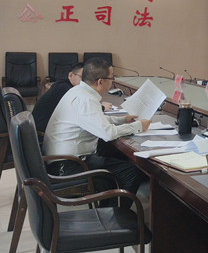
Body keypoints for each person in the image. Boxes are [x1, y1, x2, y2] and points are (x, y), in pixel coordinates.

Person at [43, 58, 152, 207]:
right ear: (100, 81)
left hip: (64, 160)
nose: (113, 81)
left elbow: (93, 120)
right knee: (130, 172)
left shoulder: (79, 91)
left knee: (119, 163)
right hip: (65, 166)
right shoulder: (86, 100)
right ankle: (114, 215)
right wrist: (138, 126)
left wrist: (123, 120)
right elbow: (108, 133)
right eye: (112, 77)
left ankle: (108, 210)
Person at [32, 63, 85, 132]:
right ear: (70, 75)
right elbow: (82, 109)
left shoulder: (63, 84)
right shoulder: (64, 88)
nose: (86, 82)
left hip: (49, 125)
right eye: (82, 78)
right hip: (43, 129)